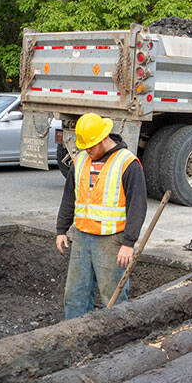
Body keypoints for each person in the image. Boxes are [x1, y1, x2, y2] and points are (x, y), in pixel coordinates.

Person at [56, 112, 147, 318]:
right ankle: (76, 338)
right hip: (81, 237)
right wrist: (61, 230)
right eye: (85, 147)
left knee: (112, 298)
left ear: (103, 138)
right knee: (75, 296)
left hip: (111, 241)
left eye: (91, 146)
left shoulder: (127, 163)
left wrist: (128, 243)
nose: (88, 151)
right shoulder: (81, 160)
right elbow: (69, 196)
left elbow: (137, 206)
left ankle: (116, 341)